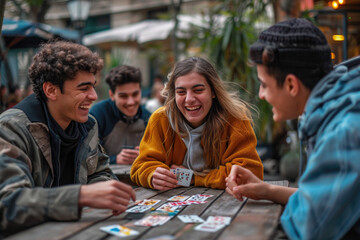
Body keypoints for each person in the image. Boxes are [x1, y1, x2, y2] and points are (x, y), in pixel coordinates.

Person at [226, 18, 360, 240]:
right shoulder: (337, 108)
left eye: (264, 84)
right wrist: (268, 190)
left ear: (291, 85)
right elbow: (326, 200)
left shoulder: (345, 130)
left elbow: (308, 228)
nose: (260, 94)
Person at [0, 41, 136, 235]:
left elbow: (100, 172)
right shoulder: (11, 128)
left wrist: (103, 190)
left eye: (93, 86)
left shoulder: (88, 124)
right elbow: (7, 205)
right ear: (51, 90)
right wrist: (80, 196)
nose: (94, 95)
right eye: (84, 88)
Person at [131, 57, 263, 190]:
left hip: (227, 206)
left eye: (198, 90)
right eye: (181, 92)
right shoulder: (160, 119)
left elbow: (251, 173)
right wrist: (152, 175)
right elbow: (140, 166)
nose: (189, 99)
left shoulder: (236, 119)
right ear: (174, 94)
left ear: (213, 91)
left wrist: (193, 178)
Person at [90, 65, 151, 165]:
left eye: (135, 94)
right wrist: (115, 160)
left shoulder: (148, 118)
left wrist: (147, 155)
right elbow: (87, 157)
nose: (131, 102)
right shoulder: (98, 114)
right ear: (111, 95)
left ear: (141, 92)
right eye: (123, 96)